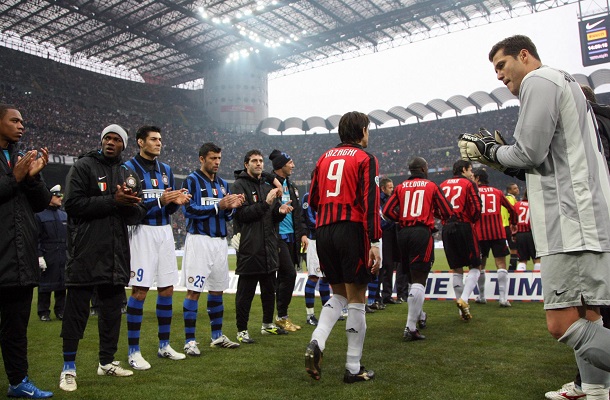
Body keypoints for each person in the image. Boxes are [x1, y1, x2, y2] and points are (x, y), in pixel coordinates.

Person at [458, 34, 610, 399]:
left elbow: (528, 153)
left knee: (561, 323)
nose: (499, 75)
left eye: (502, 65)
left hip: (570, 222)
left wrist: (489, 151)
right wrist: (499, 154)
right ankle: (594, 390)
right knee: (588, 314)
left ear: (524, 56)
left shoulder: (539, 80)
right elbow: (541, 159)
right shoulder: (563, 83)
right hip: (584, 216)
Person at [60, 124, 147, 392]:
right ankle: (68, 369)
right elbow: (72, 204)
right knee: (76, 314)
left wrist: (130, 205)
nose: (111, 142)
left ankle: (106, 362)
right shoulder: (83, 166)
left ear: (123, 145)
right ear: (101, 141)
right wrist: (113, 200)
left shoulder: (128, 173)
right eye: (107, 138)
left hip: (115, 255)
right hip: (85, 252)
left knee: (111, 314)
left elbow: (138, 214)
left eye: (116, 139)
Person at [305, 111, 382, 384]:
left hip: (324, 231)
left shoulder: (324, 158)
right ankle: (353, 367)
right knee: (357, 298)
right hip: (351, 229)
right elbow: (371, 201)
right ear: (362, 131)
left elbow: (313, 200)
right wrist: (375, 241)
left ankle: (317, 340)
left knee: (337, 294)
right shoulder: (365, 158)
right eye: (368, 129)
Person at [123, 125, 191, 370]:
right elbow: (131, 207)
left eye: (160, 139)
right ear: (140, 142)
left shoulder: (166, 170)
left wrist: (176, 202)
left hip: (164, 232)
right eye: (153, 139)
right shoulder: (128, 169)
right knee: (140, 291)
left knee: (167, 289)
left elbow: (168, 207)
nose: (159, 143)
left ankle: (164, 345)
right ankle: (133, 351)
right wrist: (160, 201)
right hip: (141, 231)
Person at [0, 104, 54, 398]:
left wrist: (32, 177)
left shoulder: (20, 158)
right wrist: (15, 178)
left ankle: (18, 382)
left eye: (22, 121)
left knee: (16, 329)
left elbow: (42, 202)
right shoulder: (15, 166)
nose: (21, 125)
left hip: (20, 259)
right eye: (14, 120)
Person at [180, 142, 244, 355]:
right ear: (202, 159)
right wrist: (218, 206)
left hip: (219, 242)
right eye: (212, 158)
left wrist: (233, 206)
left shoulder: (223, 184)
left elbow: (227, 215)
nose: (217, 162)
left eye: (219, 158)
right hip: (199, 240)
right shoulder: (191, 180)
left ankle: (217, 336)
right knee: (194, 291)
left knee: (217, 289)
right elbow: (188, 210)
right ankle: (190, 341)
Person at [382, 157, 454, 341]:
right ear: (423, 169)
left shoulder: (400, 187)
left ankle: (420, 315)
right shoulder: (431, 186)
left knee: (411, 277)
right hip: (421, 233)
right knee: (420, 278)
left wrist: (401, 218)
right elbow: (447, 211)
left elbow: (387, 211)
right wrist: (432, 213)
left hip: (403, 233)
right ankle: (410, 327)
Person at [232, 150, 292, 344]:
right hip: (250, 246)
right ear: (246, 164)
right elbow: (242, 215)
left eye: (260, 161)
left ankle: (267, 325)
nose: (258, 164)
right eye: (254, 161)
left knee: (269, 290)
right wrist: (266, 204)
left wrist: (280, 212)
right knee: (246, 293)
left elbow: (271, 216)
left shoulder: (267, 186)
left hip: (269, 246)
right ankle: (242, 330)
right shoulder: (239, 185)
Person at [269, 149, 308, 331]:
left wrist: (302, 234)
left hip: (292, 236)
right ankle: (281, 316)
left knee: (285, 276)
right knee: (289, 274)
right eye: (290, 162)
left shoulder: (291, 186)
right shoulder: (269, 184)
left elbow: (297, 213)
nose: (293, 165)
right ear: (280, 166)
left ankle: (280, 317)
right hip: (277, 237)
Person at [439, 160, 482, 321]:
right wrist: (471, 220)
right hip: (464, 225)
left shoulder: (442, 185)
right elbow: (477, 207)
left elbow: (437, 208)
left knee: (456, 269)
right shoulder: (469, 184)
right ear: (463, 169)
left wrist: (445, 220)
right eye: (470, 170)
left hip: (447, 228)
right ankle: (464, 299)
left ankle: (462, 311)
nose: (472, 173)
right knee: (475, 265)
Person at [472, 168, 517, 307]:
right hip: (497, 233)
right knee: (501, 263)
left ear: (478, 178)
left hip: (479, 234)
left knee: (480, 265)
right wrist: (514, 223)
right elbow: (512, 209)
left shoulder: (474, 193)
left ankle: (481, 296)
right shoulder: (497, 192)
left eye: (473, 177)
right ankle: (503, 298)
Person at [35, 184, 67, 323]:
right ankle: (43, 311)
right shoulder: (39, 215)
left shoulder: (64, 215)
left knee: (62, 284)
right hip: (48, 253)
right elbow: (36, 238)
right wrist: (39, 255)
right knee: (45, 285)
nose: (60, 198)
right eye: (57, 196)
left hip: (62, 253)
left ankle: (61, 310)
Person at [301, 189, 331, 326]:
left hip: (326, 240)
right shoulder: (308, 197)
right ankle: (310, 315)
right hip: (313, 241)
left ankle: (327, 313)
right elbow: (309, 220)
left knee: (325, 276)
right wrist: (327, 226)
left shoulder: (327, 194)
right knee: (313, 277)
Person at [513, 190, 540, 272]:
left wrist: (513, 234)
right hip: (531, 234)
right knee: (537, 259)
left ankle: (520, 278)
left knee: (522, 260)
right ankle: (538, 279)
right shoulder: (534, 205)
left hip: (519, 234)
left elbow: (512, 219)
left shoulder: (517, 204)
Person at [502, 183, 520, 271]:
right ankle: (512, 269)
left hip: (504, 226)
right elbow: (513, 211)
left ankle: (510, 268)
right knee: (513, 249)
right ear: (509, 190)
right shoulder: (510, 199)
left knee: (510, 249)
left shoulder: (508, 198)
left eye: (517, 188)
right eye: (515, 188)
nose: (517, 189)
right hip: (508, 227)